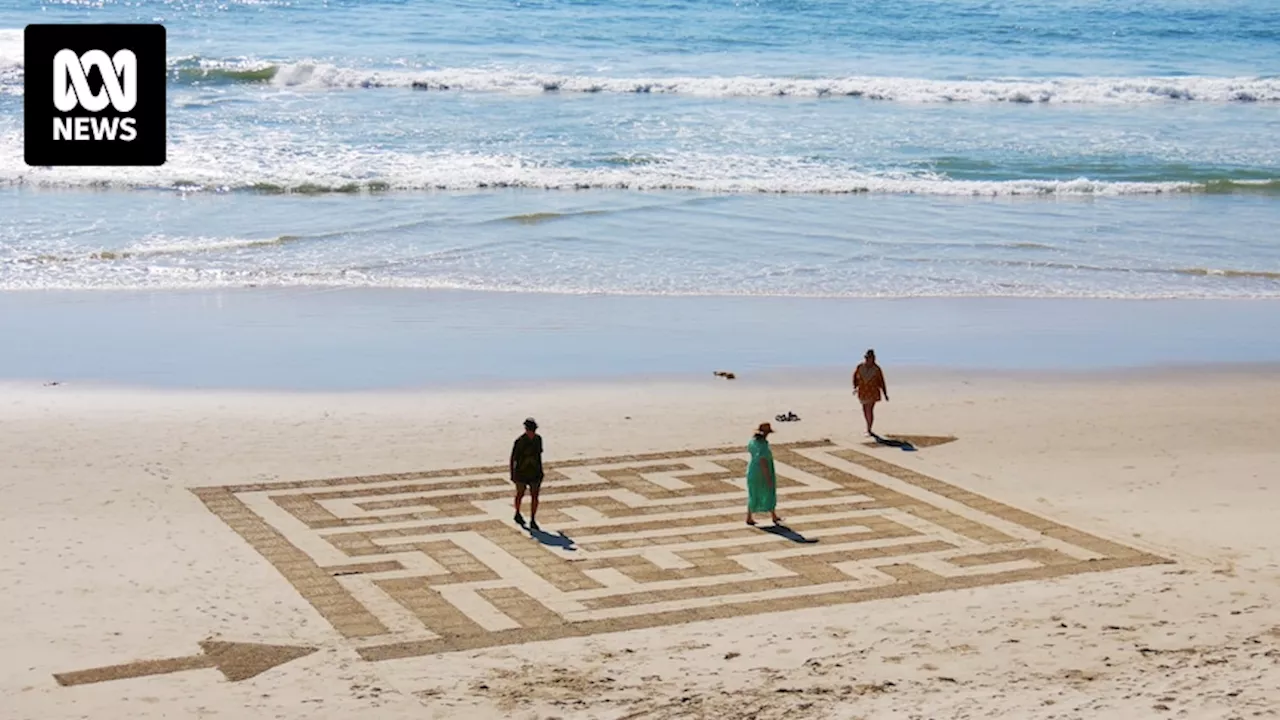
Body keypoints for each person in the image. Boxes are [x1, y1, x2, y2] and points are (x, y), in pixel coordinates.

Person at [510, 417, 544, 531]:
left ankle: (533, 518)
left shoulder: (538, 439)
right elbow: (513, 458)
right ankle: (517, 512)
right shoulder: (519, 441)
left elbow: (539, 456)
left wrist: (541, 472)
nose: (532, 432)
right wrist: (512, 474)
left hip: (535, 472)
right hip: (521, 472)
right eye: (530, 429)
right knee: (520, 493)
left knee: (535, 496)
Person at [745, 422, 782, 526]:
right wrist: (768, 477)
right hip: (761, 471)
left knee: (753, 493)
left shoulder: (752, 442)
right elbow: (763, 461)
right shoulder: (763, 445)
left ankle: (749, 516)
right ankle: (773, 515)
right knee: (769, 491)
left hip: (752, 469)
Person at [853, 349, 888, 436]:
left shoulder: (877, 369)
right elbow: (855, 377)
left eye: (871, 358)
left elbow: (881, 382)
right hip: (862, 392)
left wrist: (885, 393)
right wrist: (855, 387)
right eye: (867, 358)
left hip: (873, 393)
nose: (869, 359)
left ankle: (869, 429)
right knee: (864, 410)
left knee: (869, 410)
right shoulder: (860, 367)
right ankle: (868, 426)